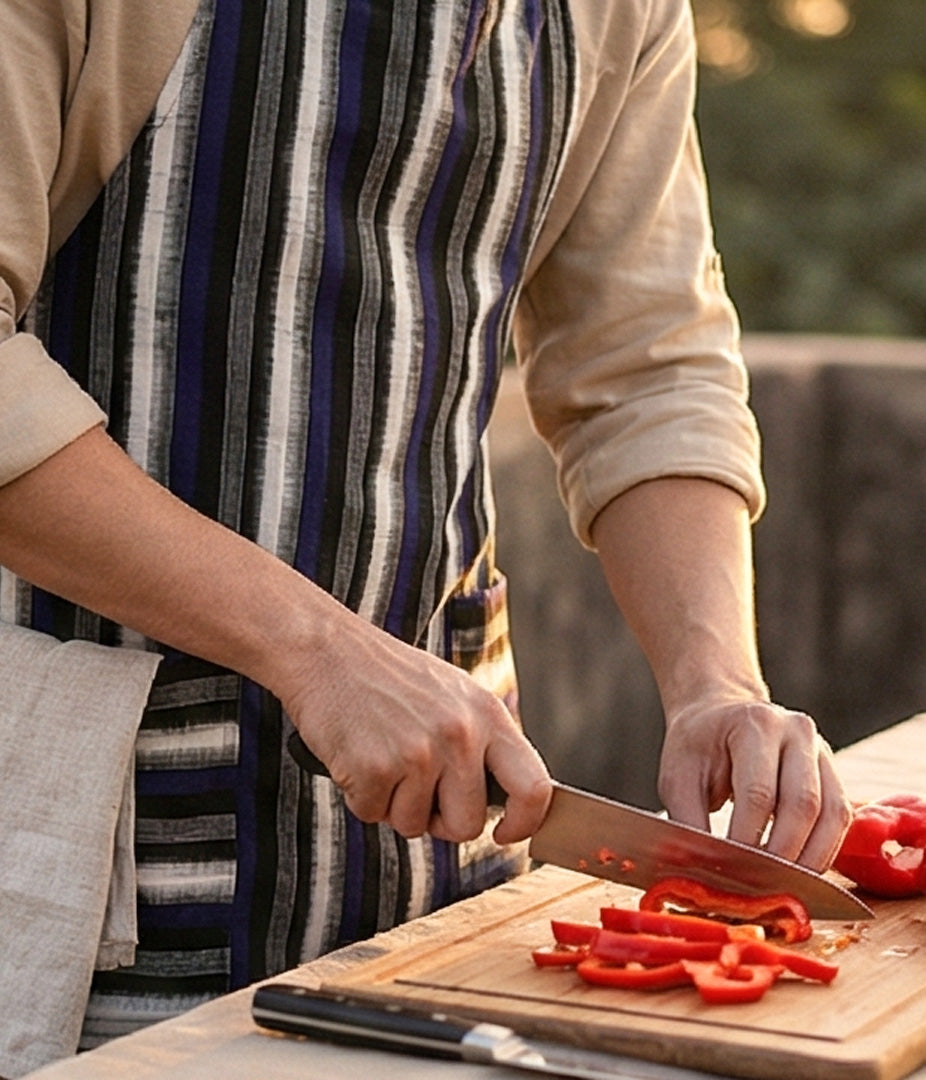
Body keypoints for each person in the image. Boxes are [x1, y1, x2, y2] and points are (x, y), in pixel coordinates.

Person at [0, 0, 850, 1055]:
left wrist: (715, 682)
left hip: (437, 881)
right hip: (75, 864)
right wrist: (317, 649)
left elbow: (649, 369)